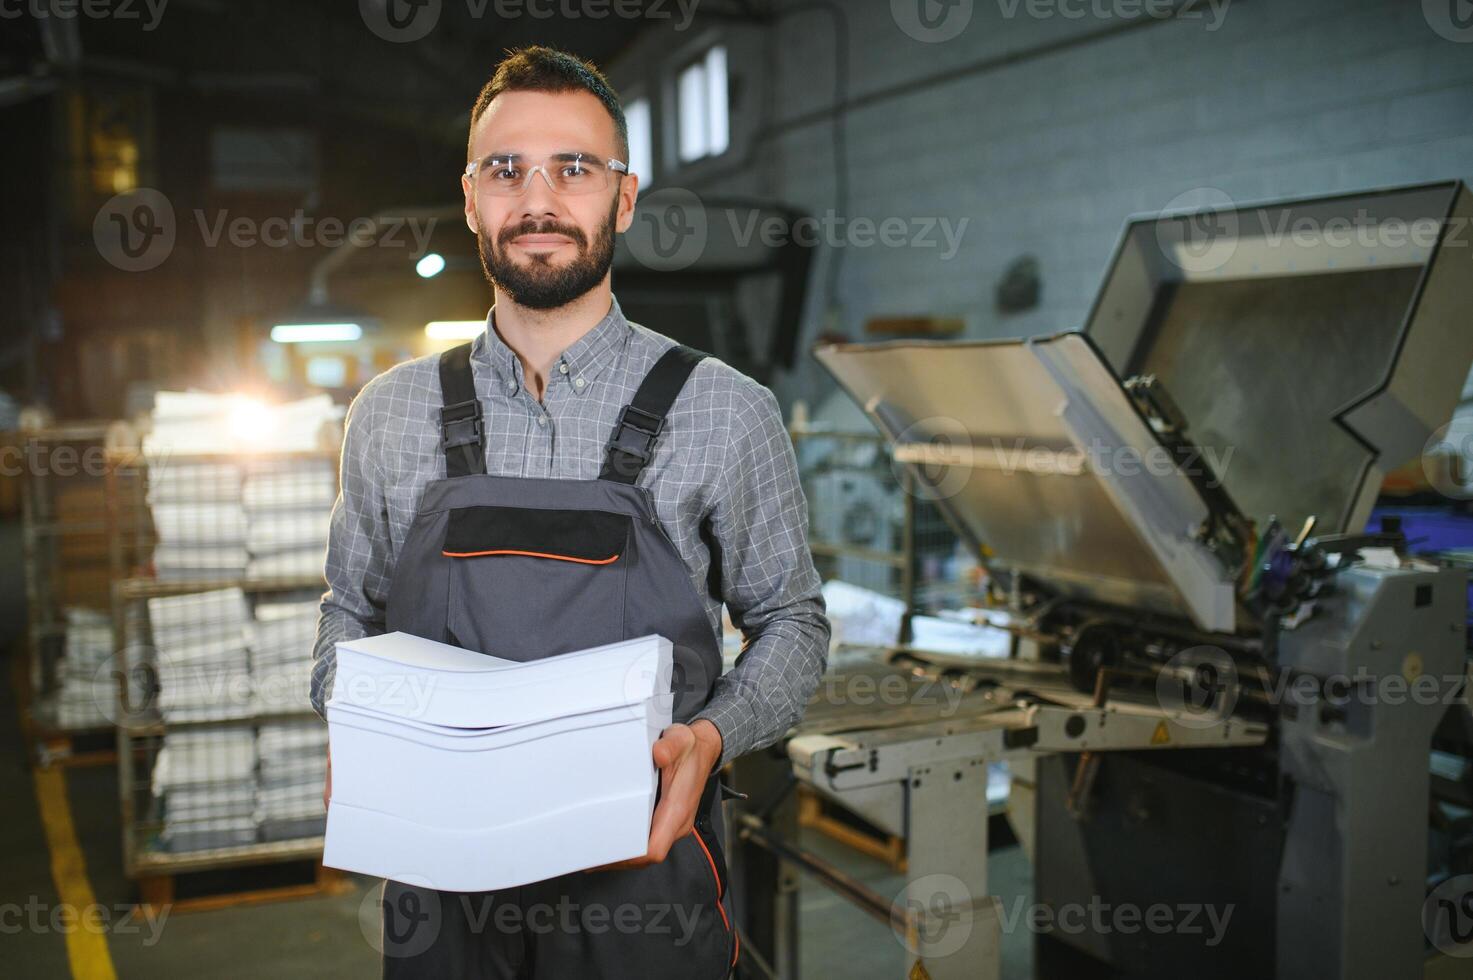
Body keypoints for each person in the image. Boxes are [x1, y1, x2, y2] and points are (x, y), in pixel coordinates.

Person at [308, 45, 830, 978]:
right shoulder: (390, 415)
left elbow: (790, 620)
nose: (538, 200)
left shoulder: (723, 409)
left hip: (642, 882)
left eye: (574, 169)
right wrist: (356, 723)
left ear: (624, 199)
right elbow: (350, 609)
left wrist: (711, 737)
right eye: (506, 170)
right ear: (471, 199)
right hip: (439, 884)